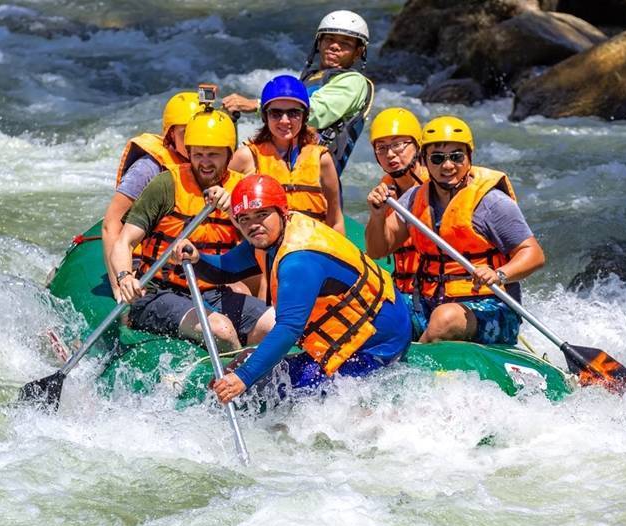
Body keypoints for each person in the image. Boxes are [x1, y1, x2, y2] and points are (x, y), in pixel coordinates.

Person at [173, 174, 412, 404]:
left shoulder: (299, 260)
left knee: (282, 395)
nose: (253, 225)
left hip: (376, 343)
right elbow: (227, 269)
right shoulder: (273, 234)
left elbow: (289, 328)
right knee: (248, 363)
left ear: (281, 211)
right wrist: (197, 259)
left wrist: (242, 379)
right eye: (244, 218)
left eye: (262, 214)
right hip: (360, 330)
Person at [371, 116, 545, 345]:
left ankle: (414, 362)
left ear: (469, 158)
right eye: (437, 158)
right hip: (427, 302)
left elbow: (534, 254)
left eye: (456, 156)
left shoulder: (492, 203)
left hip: (490, 307)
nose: (448, 165)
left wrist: (500, 274)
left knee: (445, 318)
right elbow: (378, 249)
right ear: (425, 160)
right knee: (376, 306)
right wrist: (377, 215)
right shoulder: (413, 199)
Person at [110, 109, 274, 351]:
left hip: (213, 291)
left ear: (229, 155)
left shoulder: (240, 189)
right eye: (198, 154)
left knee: (273, 324)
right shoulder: (166, 185)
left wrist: (232, 211)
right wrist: (124, 277)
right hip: (158, 293)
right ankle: (233, 377)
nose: (204, 162)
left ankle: (250, 370)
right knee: (221, 330)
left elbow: (263, 245)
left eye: (213, 155)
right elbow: (123, 242)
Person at [222, 10, 373, 177]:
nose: (335, 46)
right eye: (329, 39)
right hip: (285, 171)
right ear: (319, 42)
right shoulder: (312, 77)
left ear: (358, 52)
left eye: (345, 43)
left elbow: (317, 112)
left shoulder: (354, 82)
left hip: (314, 184)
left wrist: (257, 105)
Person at [103, 91, 200, 299]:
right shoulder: (147, 169)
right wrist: (118, 285)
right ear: (171, 134)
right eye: (186, 134)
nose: (194, 142)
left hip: (187, 256)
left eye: (199, 134)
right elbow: (111, 224)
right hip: (146, 261)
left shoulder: (209, 164)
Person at [228, 74, 344, 233]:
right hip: (266, 252)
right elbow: (226, 212)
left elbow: (336, 220)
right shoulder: (246, 157)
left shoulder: (322, 159)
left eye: (293, 113)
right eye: (275, 113)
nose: (284, 120)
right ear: (264, 116)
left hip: (312, 248)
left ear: (304, 116)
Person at [365, 107, 427, 293]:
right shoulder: (386, 189)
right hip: (404, 290)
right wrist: (378, 215)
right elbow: (375, 252)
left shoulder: (438, 187)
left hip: (440, 292)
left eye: (398, 144)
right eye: (381, 148)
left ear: (417, 145)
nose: (390, 154)